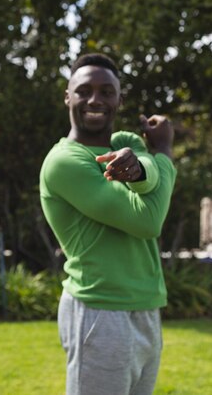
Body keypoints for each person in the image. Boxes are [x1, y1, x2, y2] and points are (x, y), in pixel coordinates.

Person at [39, 53, 177, 395]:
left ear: (120, 99)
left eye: (106, 91)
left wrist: (145, 167)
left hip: (145, 306)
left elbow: (147, 168)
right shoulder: (64, 161)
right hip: (99, 312)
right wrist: (164, 153)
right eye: (84, 91)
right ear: (67, 97)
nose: (95, 100)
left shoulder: (127, 143)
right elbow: (148, 221)